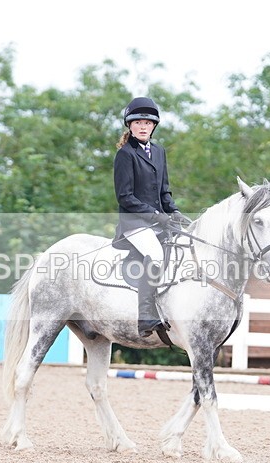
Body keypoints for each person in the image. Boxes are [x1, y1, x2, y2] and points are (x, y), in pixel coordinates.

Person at [112, 96, 190, 337]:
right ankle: (146, 315)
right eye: (138, 123)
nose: (143, 127)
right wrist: (155, 216)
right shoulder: (125, 154)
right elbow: (125, 197)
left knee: (184, 247)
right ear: (130, 125)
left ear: (154, 125)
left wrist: (174, 211)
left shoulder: (158, 151)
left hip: (158, 221)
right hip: (135, 223)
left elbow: (164, 190)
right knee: (155, 254)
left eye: (147, 123)